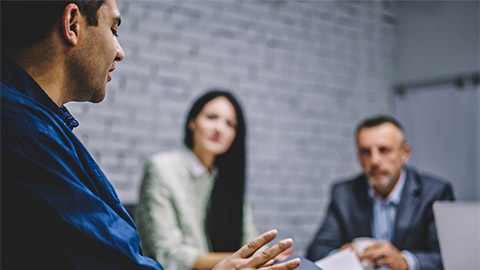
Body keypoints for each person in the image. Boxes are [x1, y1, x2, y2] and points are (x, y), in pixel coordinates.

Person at [0, 1, 301, 270]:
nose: (120, 51)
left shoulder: (40, 124)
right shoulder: (24, 130)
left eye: (230, 124)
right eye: (114, 30)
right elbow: (133, 258)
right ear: (72, 24)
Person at [135, 90, 293, 270]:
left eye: (230, 124)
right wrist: (245, 258)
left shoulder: (227, 179)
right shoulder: (162, 168)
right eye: (211, 117)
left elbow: (249, 240)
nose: (219, 128)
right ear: (192, 121)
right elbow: (168, 255)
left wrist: (270, 254)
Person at [306, 115, 454, 270]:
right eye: (365, 152)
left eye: (384, 150)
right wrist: (341, 256)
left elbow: (448, 257)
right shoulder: (344, 193)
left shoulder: (435, 192)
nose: (374, 160)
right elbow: (317, 251)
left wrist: (406, 261)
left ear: (405, 153)